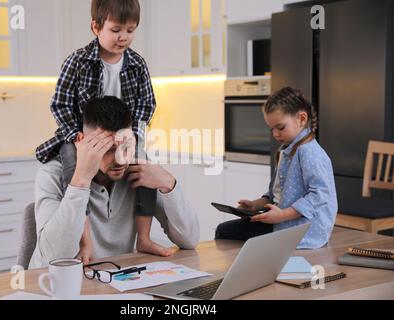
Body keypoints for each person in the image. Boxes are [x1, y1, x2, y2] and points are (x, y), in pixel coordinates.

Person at [34, 0, 167, 257]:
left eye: (130, 30)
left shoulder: (137, 64)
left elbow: (148, 103)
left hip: (123, 134)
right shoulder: (78, 61)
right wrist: (77, 137)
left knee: (145, 167)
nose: (124, 37)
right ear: (96, 27)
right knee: (75, 175)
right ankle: (85, 242)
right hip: (82, 137)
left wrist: (133, 136)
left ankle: (144, 238)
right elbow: (59, 104)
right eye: (116, 30)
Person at [28, 96, 199, 269]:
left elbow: (190, 240)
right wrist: (80, 181)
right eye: (108, 149)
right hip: (54, 285)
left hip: (116, 279)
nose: (121, 159)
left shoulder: (138, 170)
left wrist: (168, 183)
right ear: (83, 143)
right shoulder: (52, 174)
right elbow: (50, 259)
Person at [215, 86, 337, 249]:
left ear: (301, 119)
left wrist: (282, 215)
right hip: (282, 221)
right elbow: (276, 194)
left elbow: (320, 195)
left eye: (280, 127)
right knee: (226, 231)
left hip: (303, 231)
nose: (275, 134)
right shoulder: (286, 150)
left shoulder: (309, 152)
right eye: (271, 128)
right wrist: (255, 205)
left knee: (224, 232)